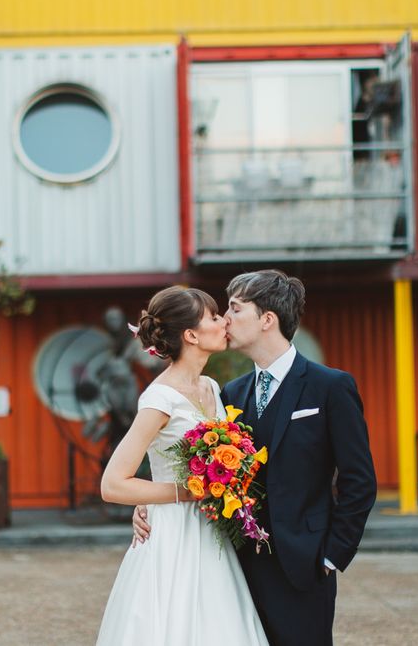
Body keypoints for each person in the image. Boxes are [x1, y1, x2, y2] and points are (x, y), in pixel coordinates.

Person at [134, 270, 377, 645]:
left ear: (267, 319)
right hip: (233, 567)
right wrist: (148, 503)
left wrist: (332, 556)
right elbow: (191, 460)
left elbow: (359, 480)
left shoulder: (330, 387)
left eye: (234, 308)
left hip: (305, 566)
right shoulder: (228, 394)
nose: (225, 319)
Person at [97, 286, 268, 645]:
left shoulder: (210, 386)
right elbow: (113, 484)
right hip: (175, 535)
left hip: (212, 531)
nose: (224, 322)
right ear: (191, 335)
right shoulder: (159, 399)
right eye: (213, 316)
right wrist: (185, 492)